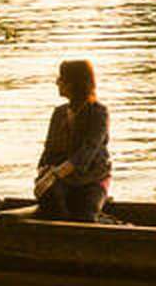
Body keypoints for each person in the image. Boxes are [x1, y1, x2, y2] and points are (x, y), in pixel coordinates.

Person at [33, 58, 111, 221]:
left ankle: (103, 219)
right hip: (64, 179)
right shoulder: (59, 113)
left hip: (92, 178)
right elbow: (49, 151)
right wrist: (42, 172)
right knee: (49, 203)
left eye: (61, 79)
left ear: (74, 83)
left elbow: (87, 151)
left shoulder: (99, 113)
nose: (57, 82)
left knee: (86, 217)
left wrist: (53, 175)